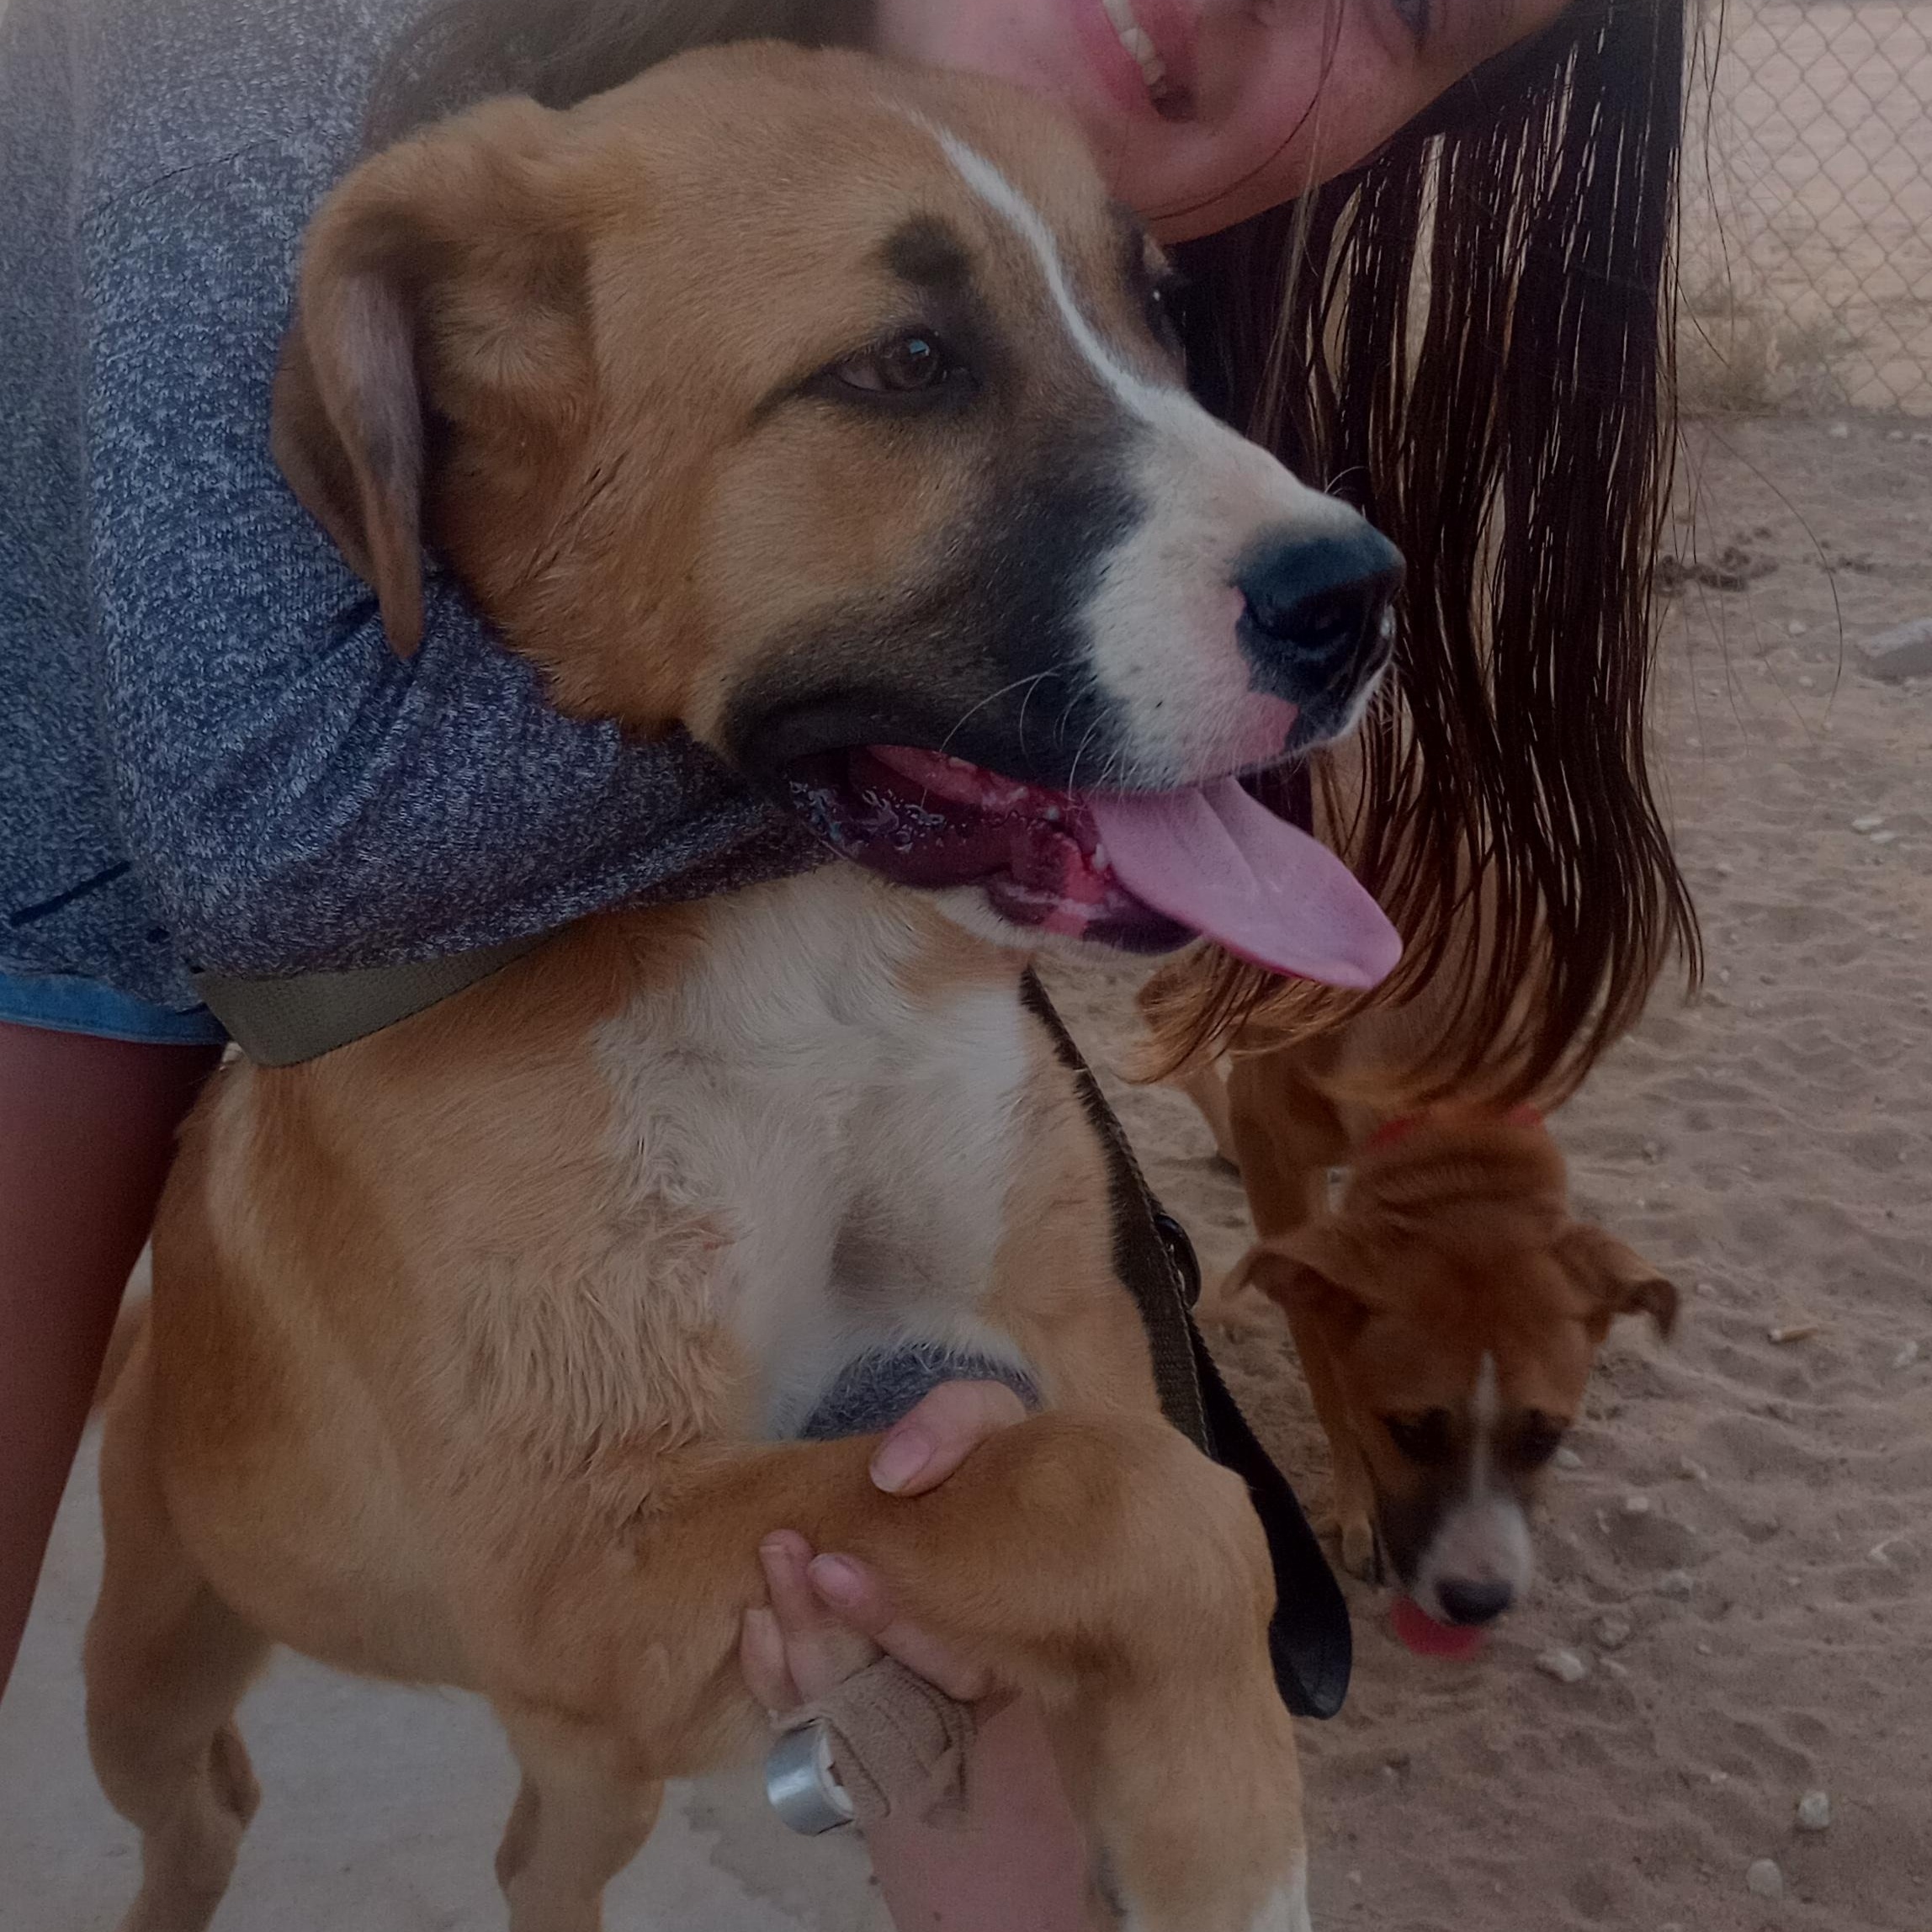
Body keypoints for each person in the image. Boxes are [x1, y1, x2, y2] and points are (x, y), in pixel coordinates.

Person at [0, 0, 1696, 1923]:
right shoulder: (324, 109)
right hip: (59, 852)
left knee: (996, 1600)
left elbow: (1042, 1450)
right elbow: (271, 823)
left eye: (1400, 11)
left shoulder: (929, 154)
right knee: (158, 1724)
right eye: (909, 364)